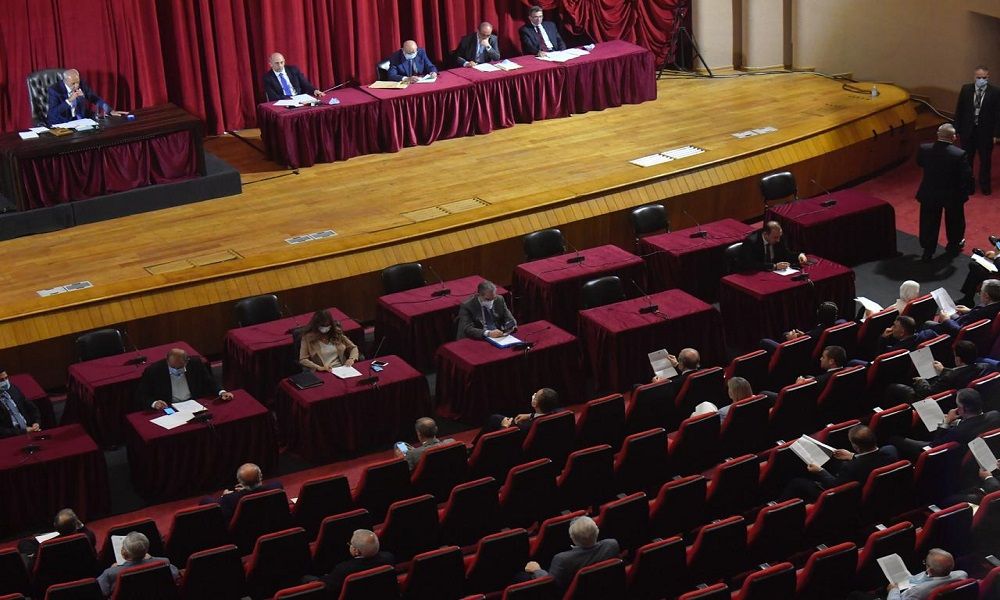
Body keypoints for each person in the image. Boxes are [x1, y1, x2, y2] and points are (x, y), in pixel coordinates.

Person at [781, 424, 898, 502]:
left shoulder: (851, 467)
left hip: (843, 498)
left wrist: (820, 471)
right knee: (835, 462)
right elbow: (870, 459)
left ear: (856, 447)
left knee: (796, 482)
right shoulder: (890, 451)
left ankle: (779, 505)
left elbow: (835, 487)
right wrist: (852, 456)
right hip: (881, 491)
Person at [915, 123, 973, 261]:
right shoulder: (959, 154)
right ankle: (953, 246)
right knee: (955, 221)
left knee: (928, 221)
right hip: (952, 194)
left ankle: (928, 250)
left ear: (938, 135)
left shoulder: (924, 149)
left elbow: (920, 163)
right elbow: (965, 175)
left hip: (930, 192)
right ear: (953, 137)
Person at [893, 389, 1000, 459]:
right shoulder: (995, 415)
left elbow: (935, 445)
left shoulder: (958, 432)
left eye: (957, 405)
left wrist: (946, 422)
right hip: (987, 454)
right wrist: (957, 422)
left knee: (895, 439)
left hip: (947, 457)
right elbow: (974, 424)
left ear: (962, 409)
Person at [523, 516, 619, 590]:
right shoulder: (611, 545)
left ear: (572, 538)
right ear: (597, 531)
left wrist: (537, 570)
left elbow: (551, 586)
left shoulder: (562, 559)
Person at [134, 348, 232, 411]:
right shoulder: (154, 371)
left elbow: (209, 381)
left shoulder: (195, 364)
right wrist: (154, 403)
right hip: (169, 406)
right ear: (167, 361)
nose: (176, 370)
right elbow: (142, 395)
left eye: (180, 367)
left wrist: (222, 392)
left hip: (194, 403)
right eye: (173, 367)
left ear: (186, 362)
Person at [953, 65, 999, 195]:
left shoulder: (995, 92)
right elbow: (959, 110)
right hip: (968, 131)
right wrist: (955, 129)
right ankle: (968, 186)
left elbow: (998, 115)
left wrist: (996, 134)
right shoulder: (966, 89)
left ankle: (985, 185)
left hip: (986, 132)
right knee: (967, 160)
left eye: (983, 77)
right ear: (974, 77)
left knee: (985, 160)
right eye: (978, 77)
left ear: (988, 77)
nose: (981, 80)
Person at [97, 531, 179, 597]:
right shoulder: (164, 563)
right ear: (146, 550)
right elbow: (175, 575)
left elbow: (101, 591)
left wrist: (113, 568)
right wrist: (152, 558)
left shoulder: (111, 573)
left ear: (124, 553)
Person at [320, 529, 394, 597]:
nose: (349, 545)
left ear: (356, 551)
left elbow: (327, 587)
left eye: (350, 544)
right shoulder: (388, 558)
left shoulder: (344, 569)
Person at [200, 463, 283, 523]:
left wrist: (223, 497)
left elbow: (214, 508)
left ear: (240, 482)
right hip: (272, 524)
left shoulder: (230, 499)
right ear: (261, 476)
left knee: (205, 500)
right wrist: (247, 490)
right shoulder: (276, 487)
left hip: (242, 534)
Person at [18, 508, 96, 570]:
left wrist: (33, 556)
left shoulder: (45, 547)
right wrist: (80, 524)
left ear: (55, 526)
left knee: (23, 544)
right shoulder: (86, 539)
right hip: (80, 570)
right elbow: (89, 534)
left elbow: (32, 567)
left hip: (53, 577)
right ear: (76, 524)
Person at [910, 341, 985, 398]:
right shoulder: (984, 367)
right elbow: (960, 372)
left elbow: (928, 392)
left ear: (958, 359)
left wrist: (921, 381)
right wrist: (943, 370)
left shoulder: (949, 377)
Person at [46, 68, 121, 125]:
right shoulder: (54, 90)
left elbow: (94, 98)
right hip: (62, 122)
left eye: (77, 82)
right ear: (65, 81)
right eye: (73, 83)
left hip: (79, 121)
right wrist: (69, 101)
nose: (76, 86)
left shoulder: (81, 84)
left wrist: (109, 110)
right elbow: (53, 113)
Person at [761, 301, 841, 353]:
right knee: (785, 334)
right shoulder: (840, 324)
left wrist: (793, 340)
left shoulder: (814, 334)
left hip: (800, 354)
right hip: (814, 345)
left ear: (819, 315)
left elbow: (803, 347)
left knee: (764, 341)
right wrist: (804, 335)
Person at [886, 548, 967, 600]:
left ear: (930, 570)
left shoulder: (917, 591)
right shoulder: (962, 574)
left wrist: (893, 590)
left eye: (926, 563)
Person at [930, 278, 1000, 335]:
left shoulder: (980, 313)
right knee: (951, 313)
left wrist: (946, 320)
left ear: (986, 296)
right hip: (964, 322)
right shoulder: (995, 308)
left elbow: (959, 331)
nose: (979, 294)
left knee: (928, 324)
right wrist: (969, 310)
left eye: (981, 291)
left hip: (953, 333)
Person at [481, 387, 560, 436]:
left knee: (494, 420)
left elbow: (504, 439)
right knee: (495, 418)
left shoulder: (524, 427)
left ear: (534, 404)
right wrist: (531, 415)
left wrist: (504, 427)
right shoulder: (559, 414)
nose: (534, 394)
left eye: (536, 396)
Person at [736, 221, 808, 272]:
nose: (778, 240)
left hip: (775, 273)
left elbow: (785, 253)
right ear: (765, 234)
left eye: (779, 237)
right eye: (775, 237)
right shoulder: (752, 242)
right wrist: (774, 266)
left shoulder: (778, 237)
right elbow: (750, 264)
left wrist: (799, 255)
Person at [0, 368, 41, 438]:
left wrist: (36, 423)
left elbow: (32, 408)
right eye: (1, 380)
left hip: (30, 430)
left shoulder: (13, 389)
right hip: (10, 437)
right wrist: (23, 431)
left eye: (6, 378)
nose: (5, 382)